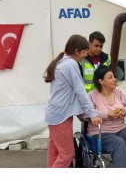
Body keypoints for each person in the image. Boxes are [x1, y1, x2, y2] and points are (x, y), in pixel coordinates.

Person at [43, 34, 102, 168]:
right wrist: (92, 114)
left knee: (55, 153)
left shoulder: (61, 61)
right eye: (84, 52)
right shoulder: (71, 64)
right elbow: (81, 92)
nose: (85, 55)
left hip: (54, 115)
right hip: (61, 117)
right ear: (76, 51)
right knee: (67, 155)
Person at [86, 65, 126, 168]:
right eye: (110, 77)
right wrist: (107, 113)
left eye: (114, 77)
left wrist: (124, 111)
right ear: (101, 81)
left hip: (121, 130)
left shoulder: (118, 91)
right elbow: (84, 114)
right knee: (118, 142)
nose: (115, 79)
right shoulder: (91, 96)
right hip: (101, 133)